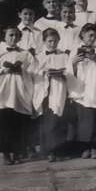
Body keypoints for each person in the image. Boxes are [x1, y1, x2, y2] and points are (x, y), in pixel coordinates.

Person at [66, 23, 96, 159]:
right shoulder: (75, 50)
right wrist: (74, 63)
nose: (92, 38)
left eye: (94, 36)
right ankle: (84, 147)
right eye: (89, 35)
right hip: (80, 89)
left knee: (94, 119)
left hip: (93, 88)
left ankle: (94, 147)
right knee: (82, 120)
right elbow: (69, 71)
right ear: (82, 35)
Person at [0, 26, 36, 165]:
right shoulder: (0, 51)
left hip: (20, 91)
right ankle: (5, 153)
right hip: (4, 91)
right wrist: (4, 70)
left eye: (16, 35)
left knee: (18, 123)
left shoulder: (26, 54)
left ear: (20, 37)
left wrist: (21, 70)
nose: (13, 38)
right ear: (5, 37)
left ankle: (17, 152)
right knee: (4, 123)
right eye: (10, 35)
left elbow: (33, 70)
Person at [33, 28, 70, 162]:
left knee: (57, 120)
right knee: (47, 121)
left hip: (59, 90)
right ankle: (48, 151)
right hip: (45, 91)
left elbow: (69, 71)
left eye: (55, 41)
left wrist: (62, 73)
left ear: (59, 41)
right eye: (49, 41)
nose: (52, 44)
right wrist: (45, 73)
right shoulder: (38, 57)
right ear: (44, 42)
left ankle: (58, 150)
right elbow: (34, 73)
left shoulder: (64, 56)